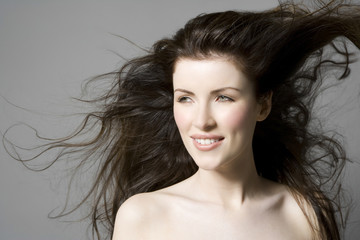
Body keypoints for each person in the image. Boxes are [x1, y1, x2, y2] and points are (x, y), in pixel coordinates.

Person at [5, 0, 360, 239]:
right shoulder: (142, 217)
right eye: (185, 98)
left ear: (262, 105)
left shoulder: (306, 212)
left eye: (223, 97)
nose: (201, 121)